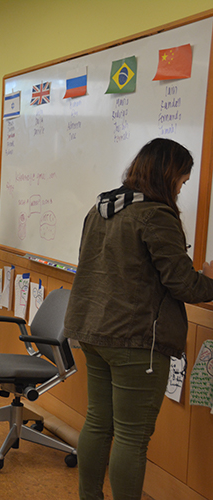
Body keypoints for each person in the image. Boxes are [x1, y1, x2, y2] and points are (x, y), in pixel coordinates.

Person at [64, 138, 213, 500]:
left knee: (99, 422)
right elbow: (181, 282)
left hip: (93, 331)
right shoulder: (156, 214)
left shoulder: (100, 208)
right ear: (167, 173)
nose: (181, 187)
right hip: (136, 339)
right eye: (181, 179)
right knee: (132, 435)